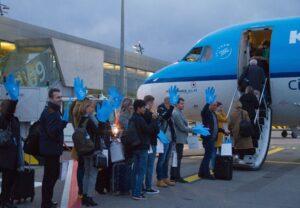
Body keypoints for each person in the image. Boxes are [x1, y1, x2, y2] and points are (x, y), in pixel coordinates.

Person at [39, 88, 69, 208]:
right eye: (58, 97)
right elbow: (52, 132)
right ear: (51, 98)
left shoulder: (54, 110)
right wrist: (64, 122)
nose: (60, 99)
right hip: (50, 150)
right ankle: (46, 203)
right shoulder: (51, 112)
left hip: (52, 149)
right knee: (49, 177)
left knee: (52, 175)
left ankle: (47, 201)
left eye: (61, 97)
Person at [0, 100, 24, 208]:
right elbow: (8, 113)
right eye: (13, 107)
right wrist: (14, 100)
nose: (15, 108)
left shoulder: (15, 119)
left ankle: (5, 200)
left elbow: (17, 136)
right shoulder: (4, 118)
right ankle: (5, 202)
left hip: (14, 155)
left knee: (11, 180)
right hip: (5, 156)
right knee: (7, 180)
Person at [130, 99, 155, 200]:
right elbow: (148, 130)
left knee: (135, 170)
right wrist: (153, 120)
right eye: (143, 107)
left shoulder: (132, 118)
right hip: (142, 147)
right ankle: (137, 193)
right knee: (141, 171)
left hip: (135, 146)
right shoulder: (139, 119)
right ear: (138, 108)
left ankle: (133, 190)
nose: (145, 109)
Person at [77, 99, 99, 206]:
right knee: (92, 173)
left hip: (84, 150)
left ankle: (85, 195)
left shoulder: (82, 119)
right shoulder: (91, 119)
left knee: (86, 173)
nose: (93, 108)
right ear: (87, 108)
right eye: (91, 107)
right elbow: (98, 132)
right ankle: (89, 197)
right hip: (92, 149)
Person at [199, 101, 223, 180]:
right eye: (214, 105)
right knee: (208, 157)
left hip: (212, 139)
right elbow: (203, 112)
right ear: (210, 106)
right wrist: (207, 103)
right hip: (208, 139)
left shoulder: (214, 114)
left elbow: (214, 127)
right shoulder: (207, 113)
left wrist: (222, 130)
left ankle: (201, 172)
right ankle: (206, 174)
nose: (216, 107)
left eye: (216, 105)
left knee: (207, 156)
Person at [156, 97, 176, 187]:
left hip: (170, 138)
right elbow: (165, 116)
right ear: (166, 101)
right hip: (164, 138)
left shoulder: (170, 109)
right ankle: (159, 179)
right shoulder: (161, 108)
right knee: (162, 160)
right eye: (171, 101)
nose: (173, 102)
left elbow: (172, 124)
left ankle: (165, 178)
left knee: (167, 160)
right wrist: (171, 107)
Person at [171, 98, 192, 183]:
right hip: (178, 139)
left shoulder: (179, 112)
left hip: (180, 139)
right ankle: (175, 176)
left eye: (183, 104)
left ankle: (175, 175)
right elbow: (182, 127)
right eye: (181, 104)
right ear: (176, 104)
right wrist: (193, 130)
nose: (182, 105)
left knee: (177, 158)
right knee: (177, 158)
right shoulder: (176, 113)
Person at [143, 95, 160, 194]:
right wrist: (155, 119)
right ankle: (148, 186)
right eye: (152, 102)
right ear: (149, 102)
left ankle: (142, 186)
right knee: (149, 166)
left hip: (146, 142)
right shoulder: (149, 114)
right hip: (151, 142)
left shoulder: (142, 114)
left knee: (144, 166)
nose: (153, 104)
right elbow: (156, 130)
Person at [211, 102, 228, 170]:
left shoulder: (217, 113)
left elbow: (225, 119)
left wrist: (221, 111)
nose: (221, 109)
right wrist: (222, 112)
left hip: (219, 134)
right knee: (215, 153)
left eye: (222, 107)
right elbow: (225, 119)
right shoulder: (217, 114)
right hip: (218, 135)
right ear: (217, 107)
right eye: (220, 107)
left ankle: (216, 166)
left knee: (217, 152)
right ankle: (215, 166)